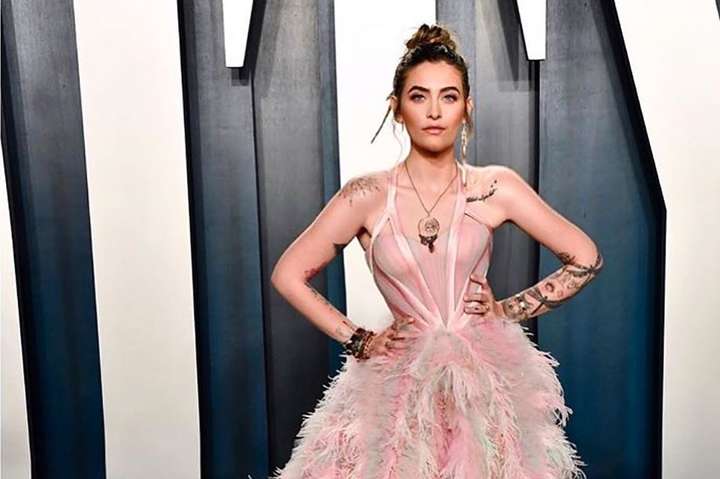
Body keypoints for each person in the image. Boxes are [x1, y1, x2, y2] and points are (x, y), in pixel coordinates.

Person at [268, 23, 603, 479]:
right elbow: (288, 274)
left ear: (467, 107)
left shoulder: (494, 186)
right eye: (418, 96)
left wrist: (504, 311)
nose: (434, 111)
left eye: (449, 97)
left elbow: (585, 256)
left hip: (482, 379)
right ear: (396, 108)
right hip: (399, 383)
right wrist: (359, 339)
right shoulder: (367, 195)